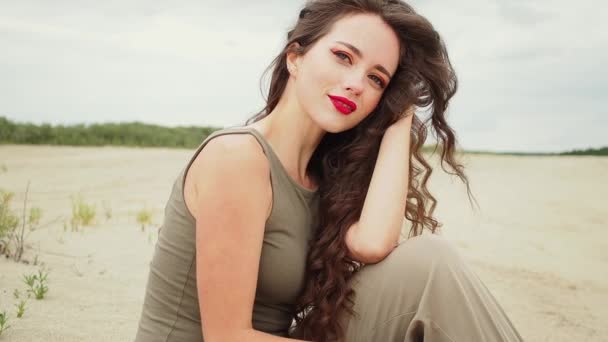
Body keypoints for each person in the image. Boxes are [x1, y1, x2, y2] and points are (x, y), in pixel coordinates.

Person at [135, 0, 524, 341]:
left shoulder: (323, 177)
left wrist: (401, 114)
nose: (356, 84)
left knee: (431, 261)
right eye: (343, 56)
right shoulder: (237, 158)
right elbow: (227, 337)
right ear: (296, 58)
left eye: (376, 79)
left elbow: (371, 244)